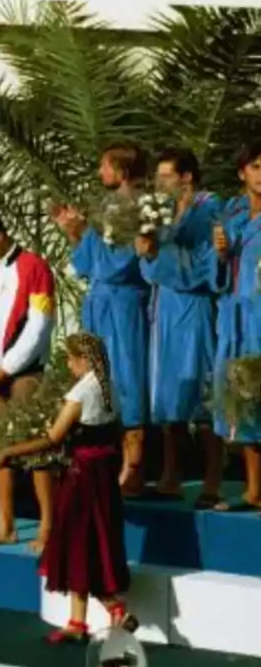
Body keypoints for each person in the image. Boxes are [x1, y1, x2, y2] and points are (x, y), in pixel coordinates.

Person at [0, 333, 137, 644]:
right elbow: (118, 431)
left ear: (84, 360)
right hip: (104, 473)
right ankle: (77, 621)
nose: (69, 365)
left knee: (76, 542)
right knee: (95, 540)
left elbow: (53, 438)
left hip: (82, 475)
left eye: (71, 359)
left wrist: (11, 451)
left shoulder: (80, 393)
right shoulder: (110, 388)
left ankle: (113, 609)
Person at [55, 143, 151, 495]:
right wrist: (75, 233)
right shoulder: (107, 208)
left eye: (104, 166)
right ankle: (109, 461)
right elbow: (87, 265)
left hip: (124, 305)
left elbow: (120, 264)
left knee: (127, 376)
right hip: (99, 302)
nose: (100, 173)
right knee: (99, 378)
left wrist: (88, 239)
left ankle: (135, 465)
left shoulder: (143, 208)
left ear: (122, 171)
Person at [0, 210, 57, 551]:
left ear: (0, 235)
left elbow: (39, 324)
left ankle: (48, 526)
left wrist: (9, 367)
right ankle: (6, 524)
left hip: (24, 373)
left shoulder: (34, 267)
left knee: (35, 450)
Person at [136, 148, 224, 504]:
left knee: (201, 390)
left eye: (167, 176)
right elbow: (150, 264)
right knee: (168, 393)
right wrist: (147, 250)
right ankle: (170, 475)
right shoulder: (165, 213)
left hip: (195, 307)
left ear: (187, 176)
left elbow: (205, 264)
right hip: (166, 308)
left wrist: (159, 253)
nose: (160, 184)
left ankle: (213, 478)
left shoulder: (210, 210)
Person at [210, 141, 261, 511]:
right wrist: (222, 255)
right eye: (257, 167)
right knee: (243, 400)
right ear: (243, 172)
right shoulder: (233, 218)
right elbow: (219, 277)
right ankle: (252, 489)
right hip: (237, 320)